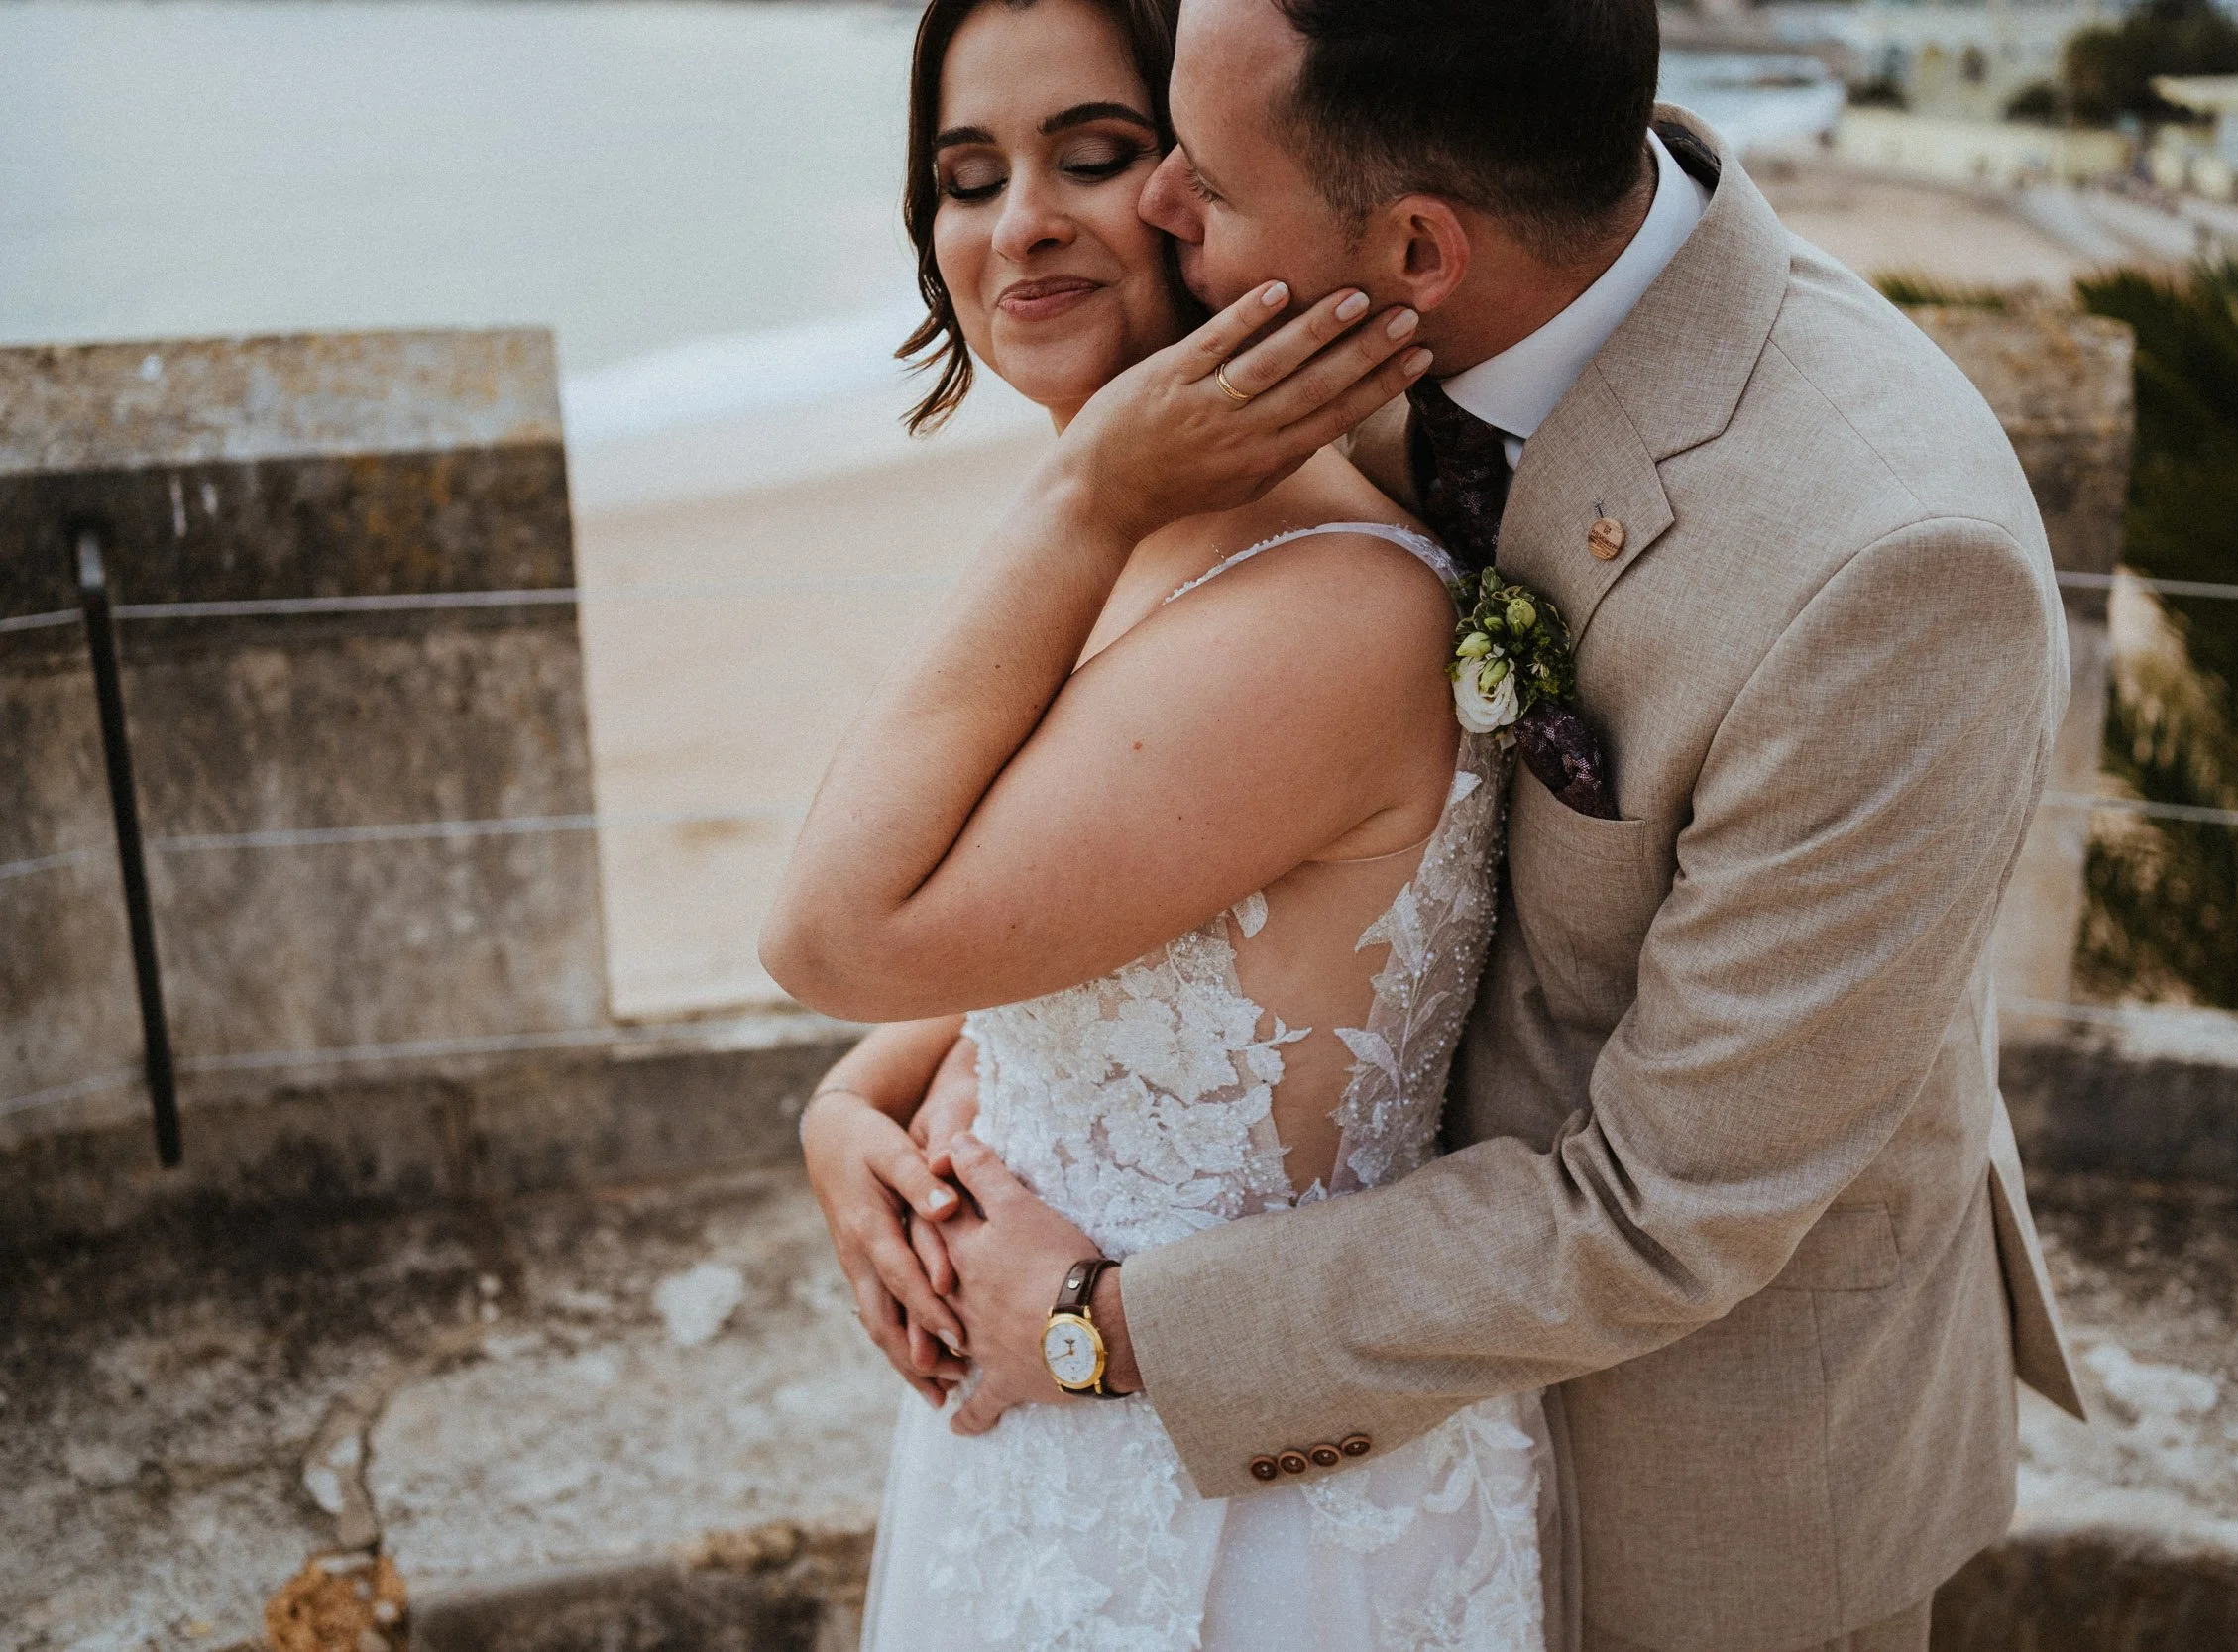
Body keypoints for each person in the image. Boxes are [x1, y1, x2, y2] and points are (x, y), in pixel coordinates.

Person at [801, 0, 2095, 1649]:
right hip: (1364, 1373)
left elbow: (1659, 1212)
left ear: (1418, 249)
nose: (1163, 219)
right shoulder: (1330, 317)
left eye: (1198, 174)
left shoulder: (1894, 573)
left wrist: (1089, 1328)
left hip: (1709, 1458)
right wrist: (864, 1093)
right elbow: (1168, 840)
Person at [763, 0, 1556, 1644]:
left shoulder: (1327, 611)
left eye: (1096, 155)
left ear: (1200, 190)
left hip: (1244, 1517)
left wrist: (1079, 491)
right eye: (965, 175)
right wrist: (850, 1109)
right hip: (1046, 1468)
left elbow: (827, 929)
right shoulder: (1153, 545)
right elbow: (1067, 928)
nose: (1020, 220)